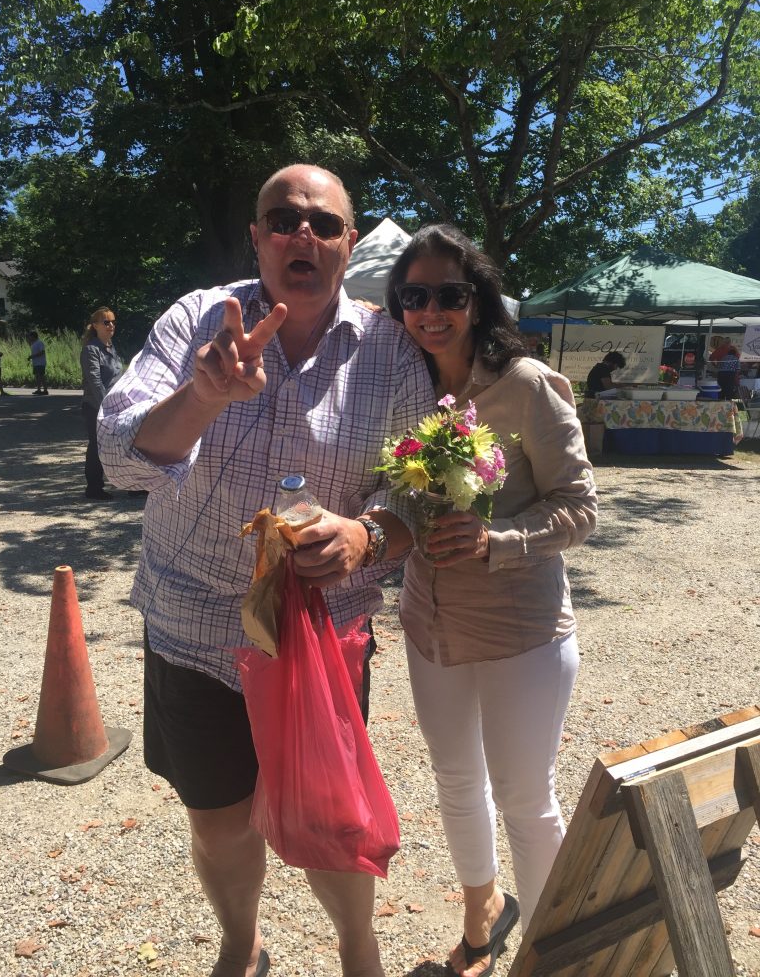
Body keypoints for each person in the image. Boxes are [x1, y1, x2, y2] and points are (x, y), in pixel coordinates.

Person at [97, 163, 436, 977]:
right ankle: (241, 942)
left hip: (320, 637)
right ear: (257, 238)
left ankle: (359, 949)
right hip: (194, 626)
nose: (303, 235)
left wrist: (367, 535)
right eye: (283, 219)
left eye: (324, 224)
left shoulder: (390, 351)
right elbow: (118, 454)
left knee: (330, 814)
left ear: (349, 244)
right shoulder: (198, 320)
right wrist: (206, 395)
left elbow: (423, 491)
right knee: (218, 821)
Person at [386, 224, 598, 976]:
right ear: (398, 305)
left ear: (477, 301)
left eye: (449, 294)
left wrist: (496, 540)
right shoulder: (401, 387)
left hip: (521, 629)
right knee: (453, 779)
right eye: (415, 296)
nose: (432, 310)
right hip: (428, 622)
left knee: (524, 797)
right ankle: (485, 910)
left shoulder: (528, 384)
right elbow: (393, 500)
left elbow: (581, 505)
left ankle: (552, 952)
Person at [80, 307, 124, 500]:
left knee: (122, 443)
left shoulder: (111, 348)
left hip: (116, 405)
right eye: (106, 322)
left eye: (113, 321)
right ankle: (94, 488)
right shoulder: (91, 350)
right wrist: (106, 407)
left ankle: (132, 484)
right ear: (95, 325)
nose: (111, 325)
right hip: (96, 406)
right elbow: (94, 381)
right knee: (97, 446)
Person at [27, 330, 48, 395]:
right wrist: (31, 357)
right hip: (36, 363)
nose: (29, 338)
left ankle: (44, 390)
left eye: (30, 336)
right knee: (38, 376)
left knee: (40, 376)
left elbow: (42, 352)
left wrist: (33, 356)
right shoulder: (33, 343)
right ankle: (40, 390)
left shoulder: (39, 342)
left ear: (33, 336)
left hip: (40, 362)